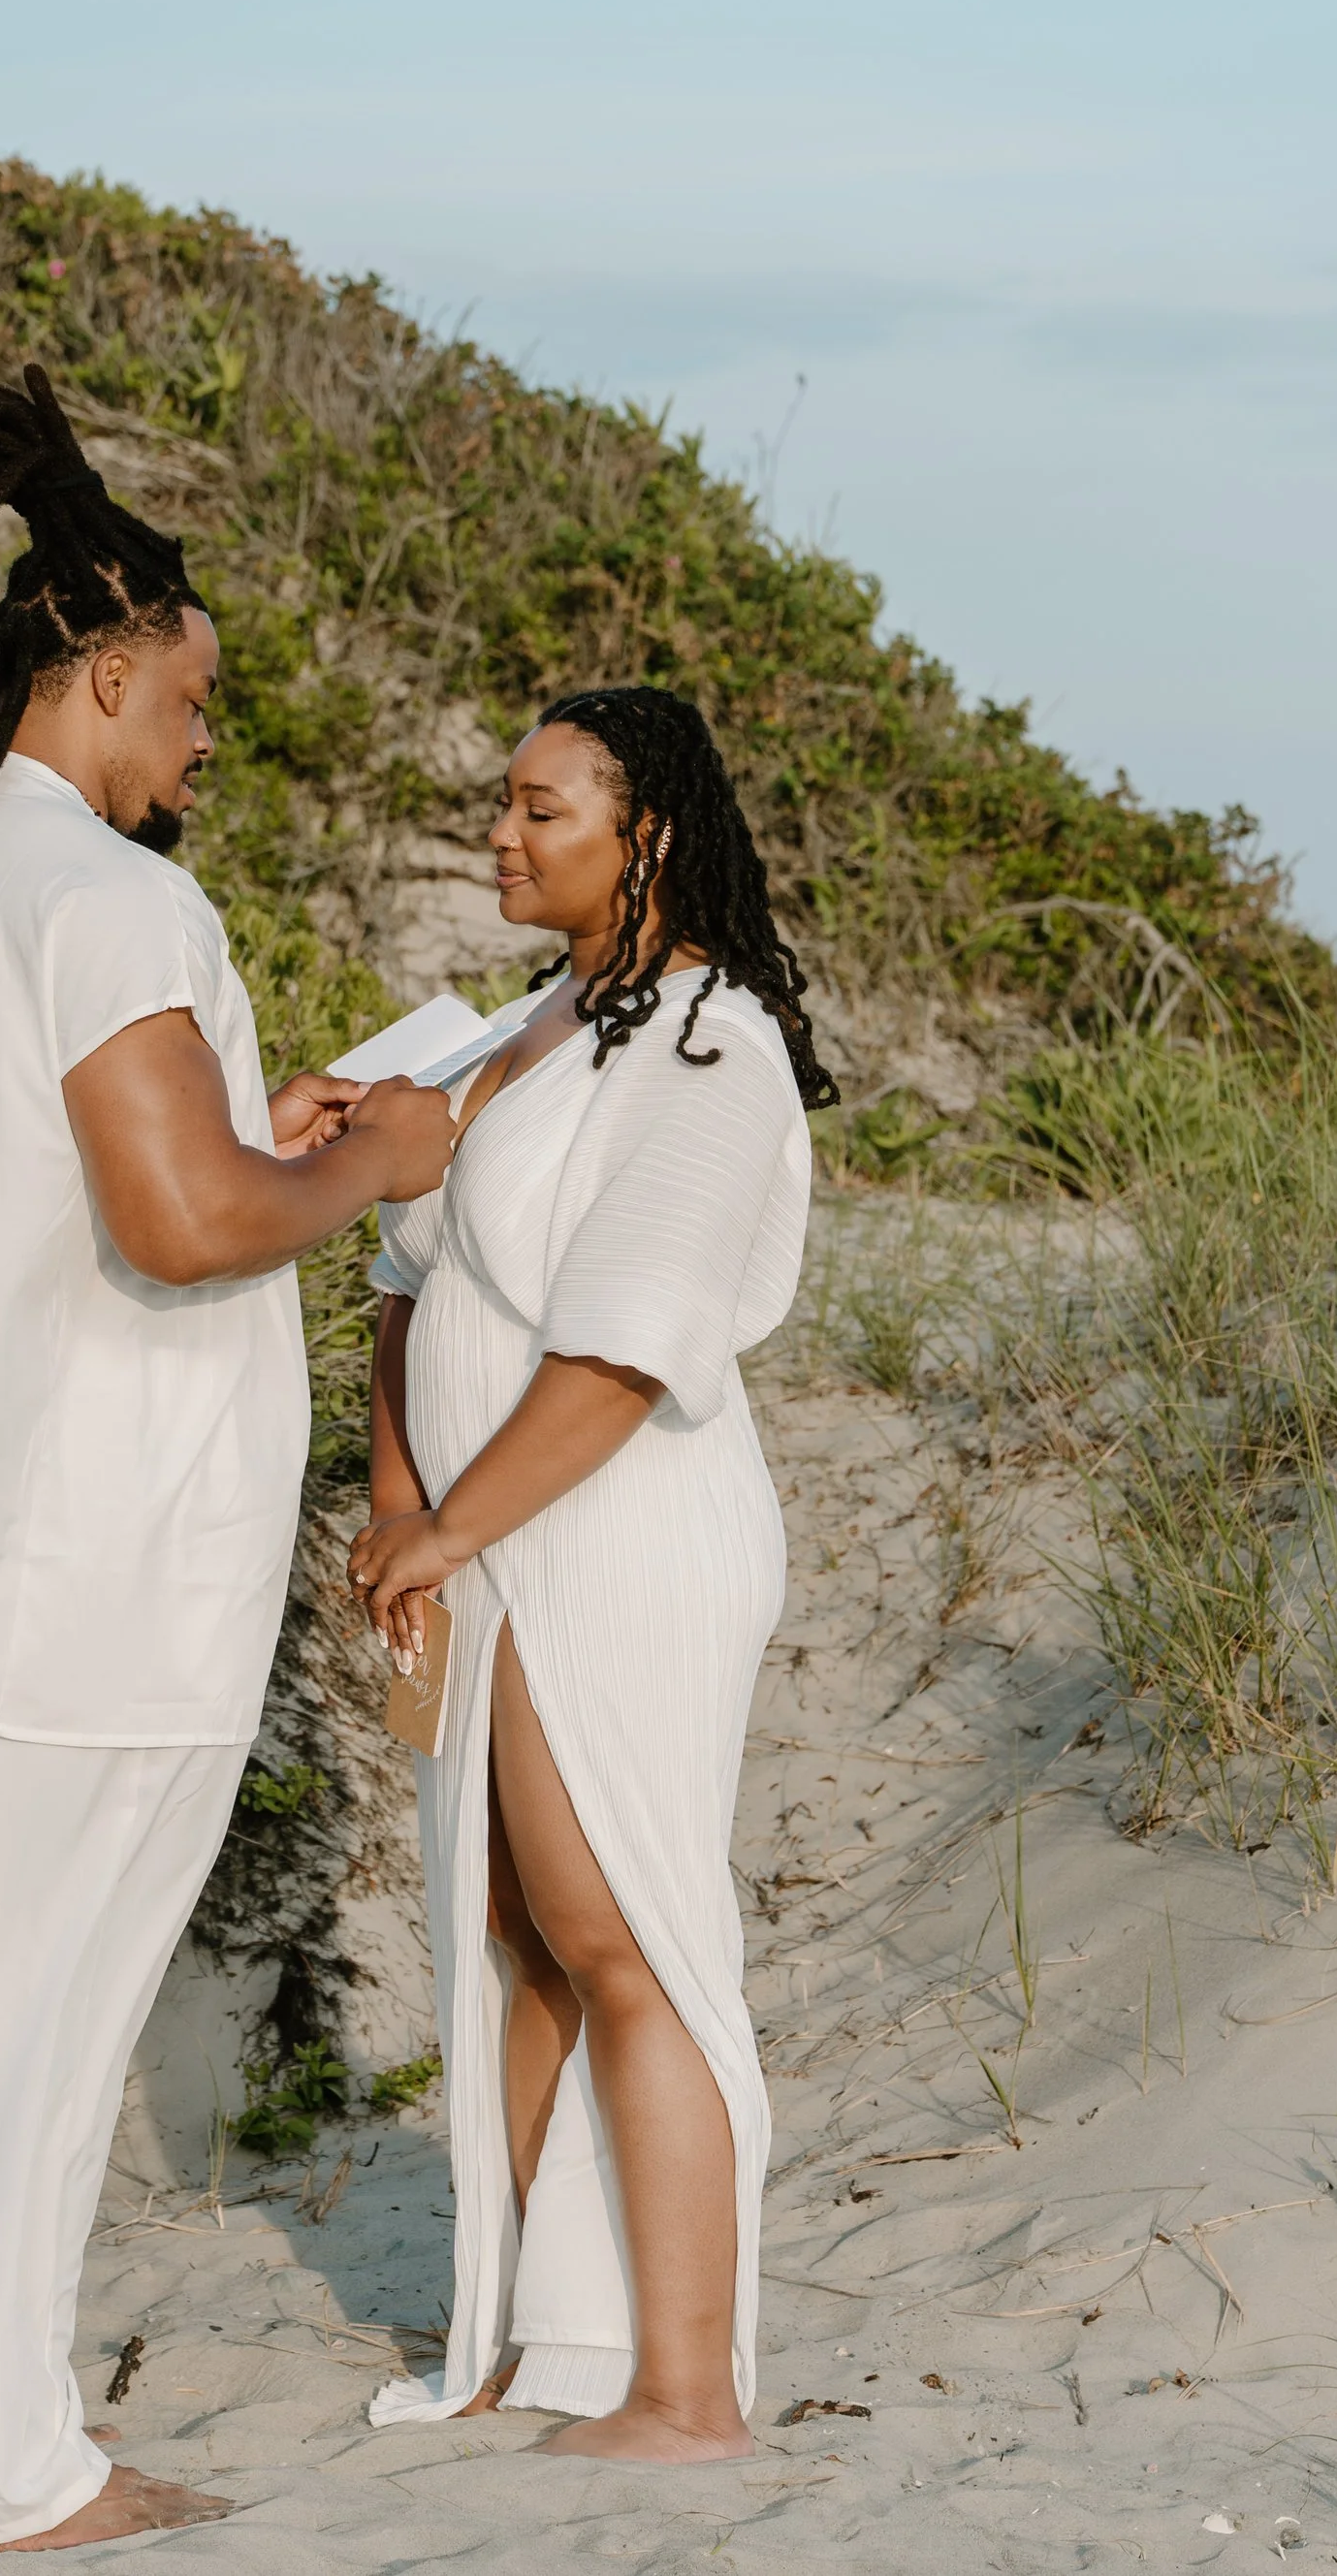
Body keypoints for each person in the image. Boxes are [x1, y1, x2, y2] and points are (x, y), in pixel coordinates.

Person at [0, 362, 452, 2559]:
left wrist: (269, 1147)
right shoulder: (114, 907)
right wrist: (383, 1161)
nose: (205, 741)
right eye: (195, 697)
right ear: (109, 668)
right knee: (39, 2039)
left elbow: (69, 1198)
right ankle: (6, 2472)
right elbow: (178, 1225)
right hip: (96, 1557)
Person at [348, 685, 835, 2461]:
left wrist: (456, 1524)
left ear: (646, 833)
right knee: (513, 1936)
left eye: (542, 808)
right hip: (486, 1531)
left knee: (622, 1931)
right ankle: (536, 2331)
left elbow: (627, 1350)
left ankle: (685, 2389)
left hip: (620, 1535)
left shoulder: (714, 1045)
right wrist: (405, 1499)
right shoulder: (527, 1022)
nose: (503, 832)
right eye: (503, 801)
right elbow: (405, 1269)